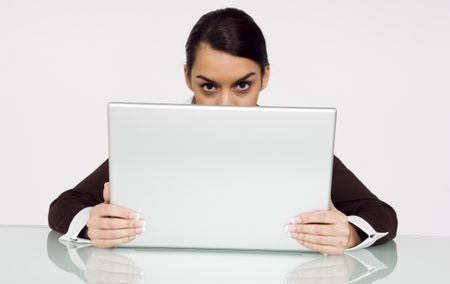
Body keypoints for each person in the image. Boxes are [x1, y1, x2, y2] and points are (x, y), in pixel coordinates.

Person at [48, 7, 397, 254]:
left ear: (266, 76)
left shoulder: (293, 140)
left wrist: (350, 233)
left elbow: (382, 215)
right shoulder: (157, 136)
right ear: (187, 77)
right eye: (209, 87)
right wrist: (91, 223)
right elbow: (64, 206)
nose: (226, 104)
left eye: (243, 86)